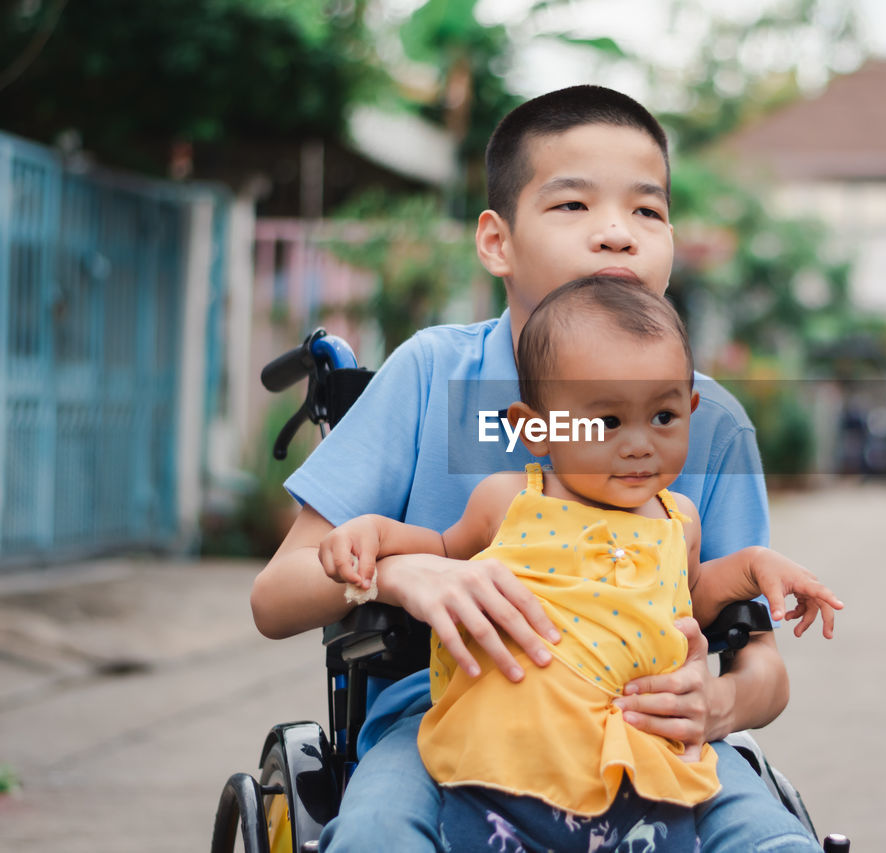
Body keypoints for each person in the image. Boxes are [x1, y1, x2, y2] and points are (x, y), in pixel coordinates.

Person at [250, 84, 823, 852]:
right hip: (441, 725)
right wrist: (400, 574)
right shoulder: (434, 377)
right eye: (573, 206)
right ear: (497, 241)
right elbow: (275, 596)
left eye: (646, 211)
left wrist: (717, 704)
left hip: (646, 730)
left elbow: (762, 666)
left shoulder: (706, 420)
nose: (617, 233)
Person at [316, 278, 841, 851]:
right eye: (608, 422)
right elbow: (439, 552)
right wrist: (372, 532)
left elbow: (689, 595)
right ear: (534, 428)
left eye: (663, 417)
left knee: (773, 839)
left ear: (691, 409)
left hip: (640, 736)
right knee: (373, 831)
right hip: (496, 727)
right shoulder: (507, 500)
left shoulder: (679, 519)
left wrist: (753, 566)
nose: (639, 443)